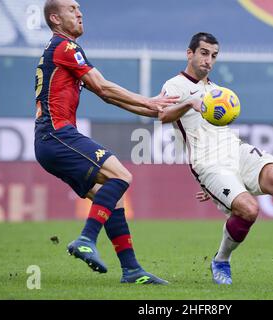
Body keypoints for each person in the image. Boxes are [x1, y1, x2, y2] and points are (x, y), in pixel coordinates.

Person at [159, 32, 273, 285]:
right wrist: (189, 103)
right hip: (209, 163)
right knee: (249, 210)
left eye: (214, 56)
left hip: (235, 149)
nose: (209, 60)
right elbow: (162, 115)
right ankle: (221, 260)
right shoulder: (174, 86)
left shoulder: (217, 91)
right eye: (204, 53)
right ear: (190, 53)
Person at [35, 0, 178, 284]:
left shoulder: (60, 51)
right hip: (57, 133)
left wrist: (152, 110)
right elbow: (103, 86)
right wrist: (149, 102)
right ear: (55, 18)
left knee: (111, 196)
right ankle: (86, 239)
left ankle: (132, 270)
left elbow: (107, 96)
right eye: (71, 9)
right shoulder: (66, 47)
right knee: (121, 175)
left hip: (49, 141)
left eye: (79, 8)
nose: (79, 13)